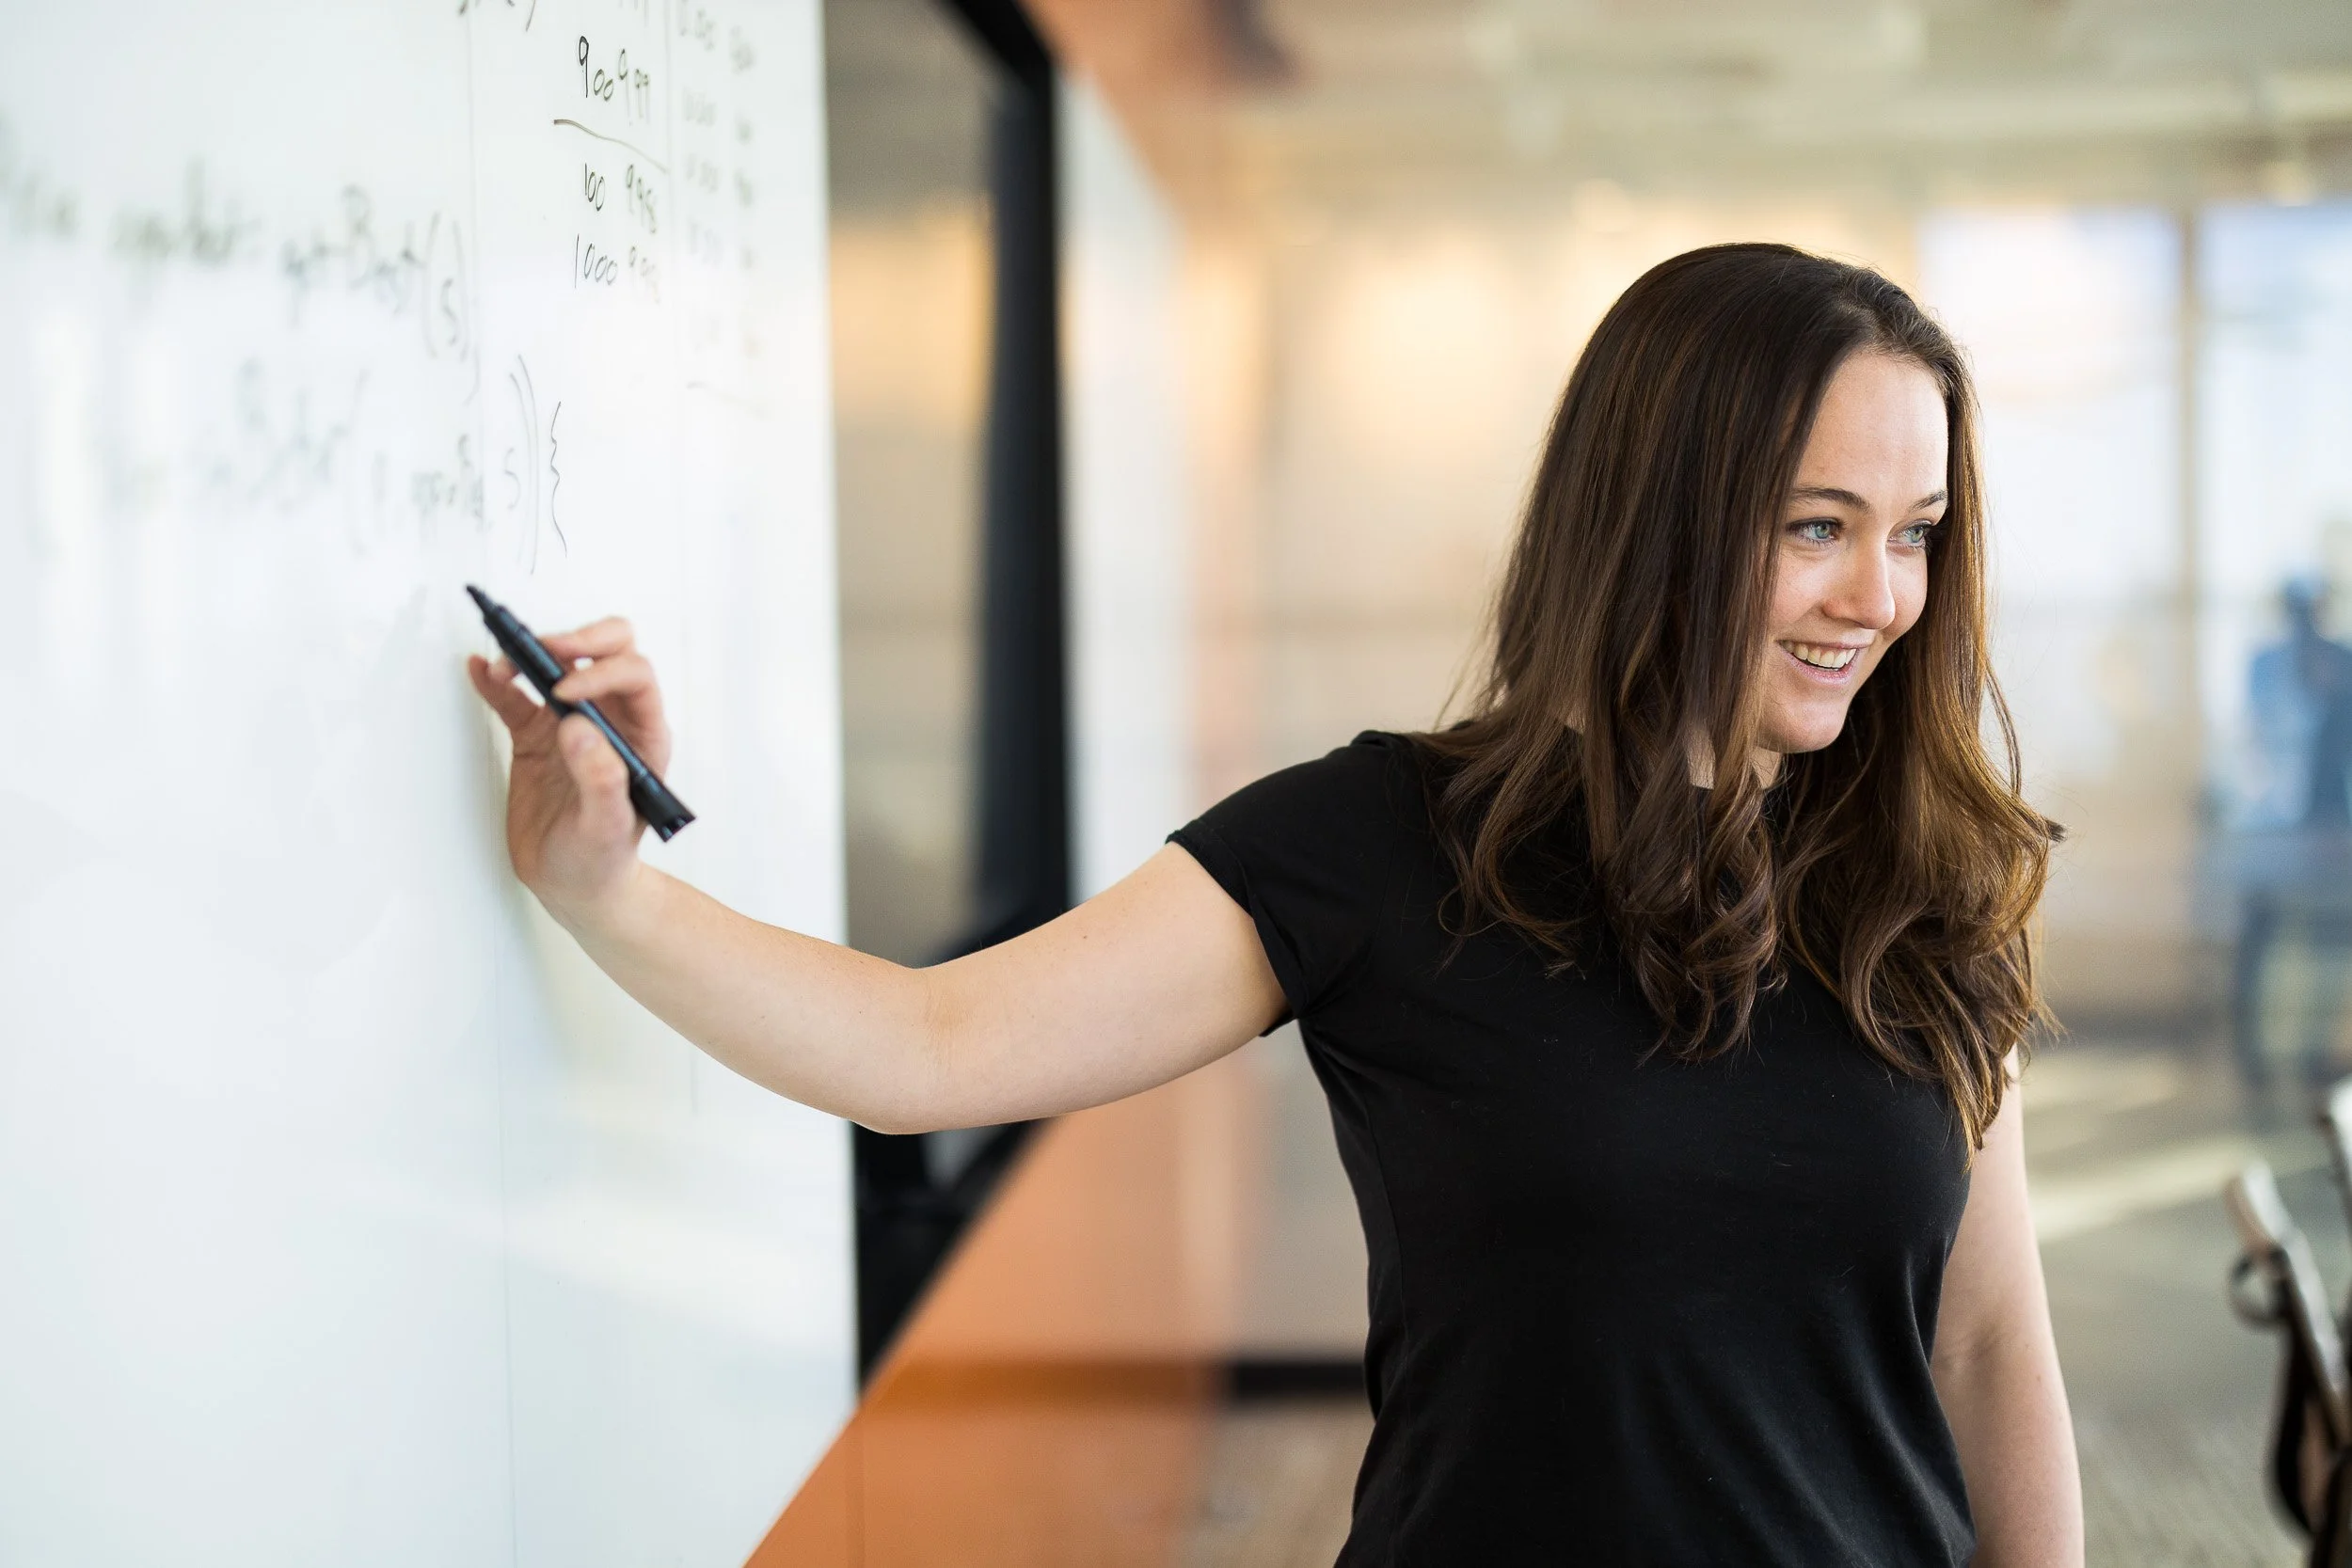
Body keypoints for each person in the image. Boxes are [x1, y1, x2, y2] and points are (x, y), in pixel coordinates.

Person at [469, 244, 2083, 1566]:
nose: (1879, 599)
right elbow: (929, 1048)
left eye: (1916, 536)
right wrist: (608, 894)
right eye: (1817, 529)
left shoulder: (1927, 886)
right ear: (1659, 512)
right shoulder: (1382, 845)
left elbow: (1993, 1341)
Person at [2230, 575, 2352, 1091]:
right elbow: (2255, 741)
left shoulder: (2342, 663)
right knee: (2258, 945)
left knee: (2329, 948)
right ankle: (2254, 1059)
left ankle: (2319, 1058)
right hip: (2273, 832)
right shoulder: (2265, 667)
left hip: (2331, 831)